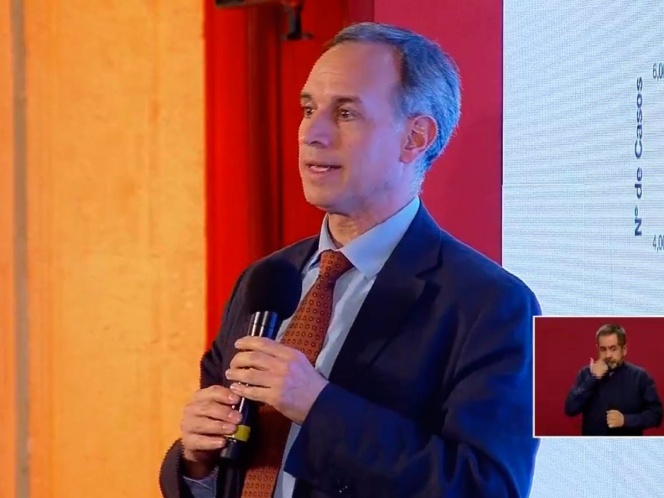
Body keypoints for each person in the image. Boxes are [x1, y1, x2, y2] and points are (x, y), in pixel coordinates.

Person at [159, 22, 540, 498]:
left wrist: (317, 406)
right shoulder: (266, 278)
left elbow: (486, 488)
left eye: (345, 113)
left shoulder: (492, 305)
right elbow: (228, 468)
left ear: (415, 138)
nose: (312, 134)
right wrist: (197, 462)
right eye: (308, 109)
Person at [564, 323, 663, 436]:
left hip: (628, 445)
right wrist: (593, 378)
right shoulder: (586, 374)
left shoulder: (640, 377)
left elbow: (656, 416)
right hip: (594, 445)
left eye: (613, 349)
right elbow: (570, 409)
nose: (608, 355)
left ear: (624, 349)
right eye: (603, 349)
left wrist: (625, 420)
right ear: (597, 349)